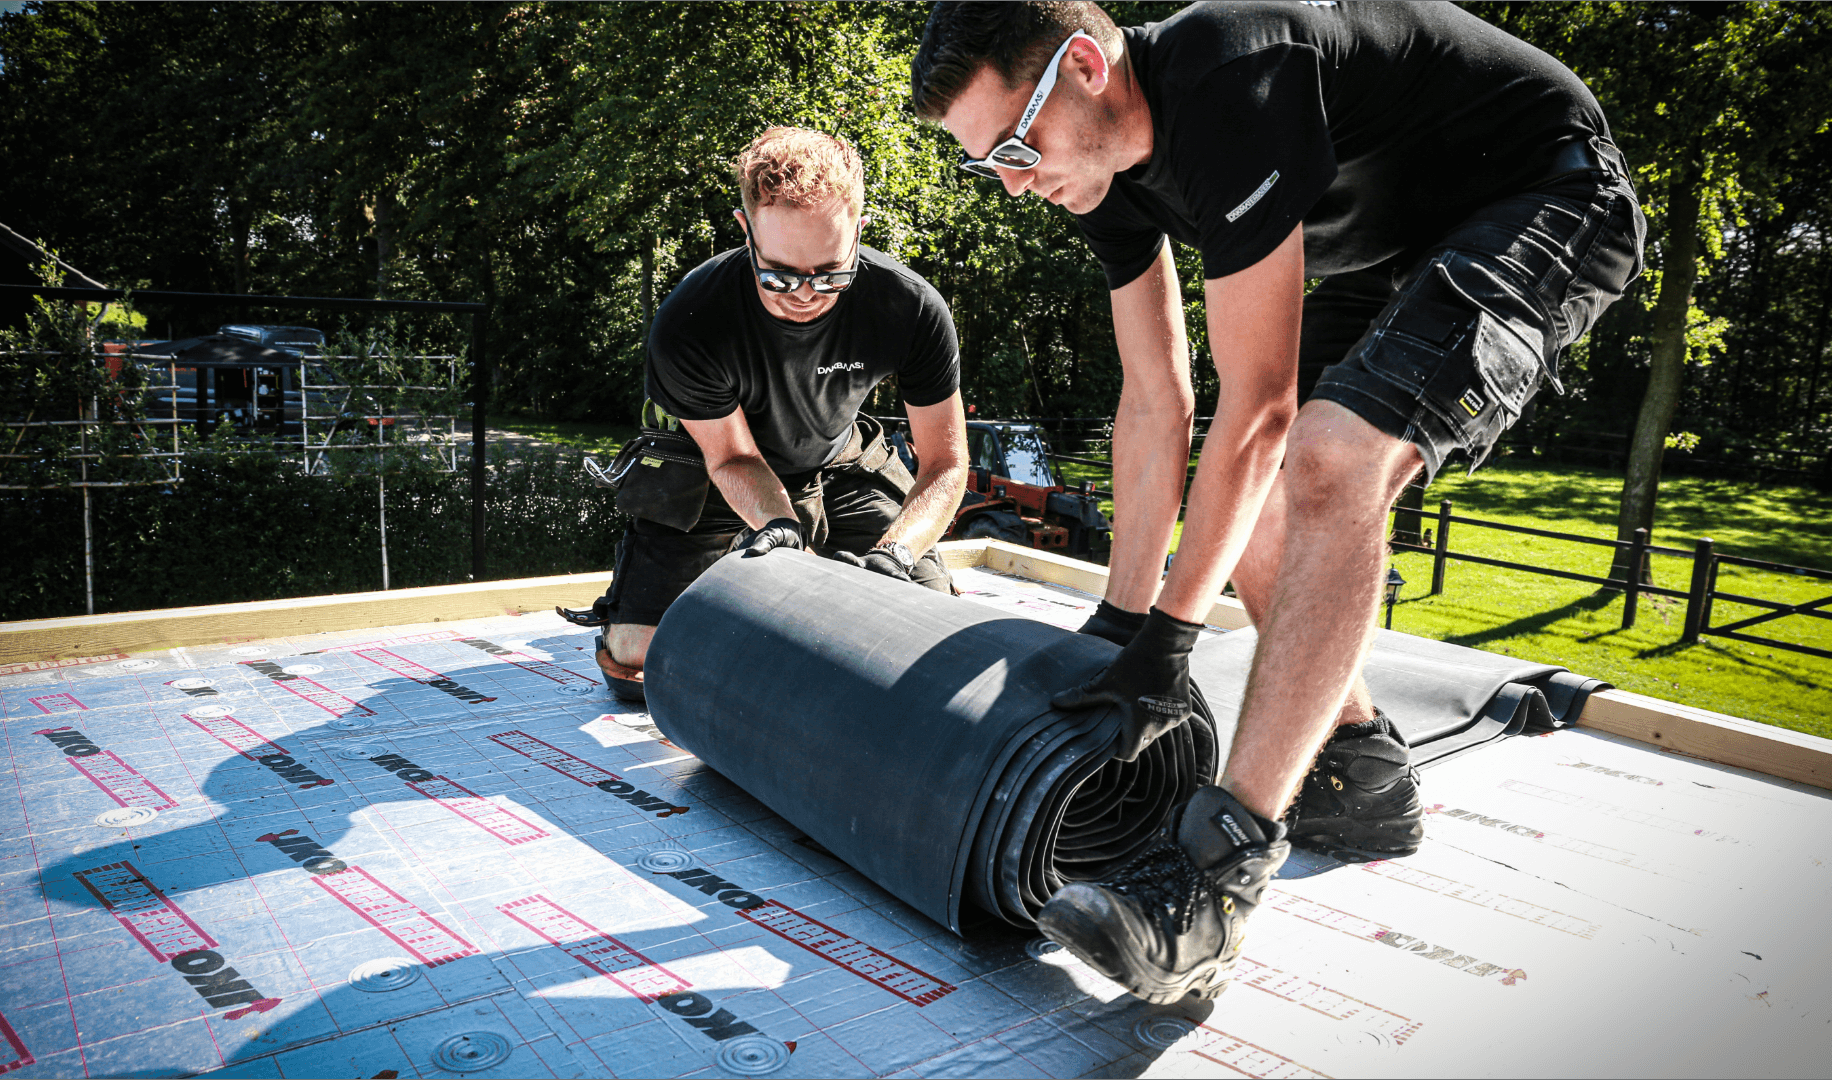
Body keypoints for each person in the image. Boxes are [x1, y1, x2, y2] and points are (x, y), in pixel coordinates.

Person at [912, 1, 1642, 1003]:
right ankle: (1358, 769)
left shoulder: (1230, 75)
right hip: (1388, 252)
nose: (1018, 178)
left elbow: (1254, 410)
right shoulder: (1099, 171)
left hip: (1540, 195)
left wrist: (1170, 641)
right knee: (1259, 508)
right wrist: (1123, 626)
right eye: (989, 163)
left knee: (1330, 461)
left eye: (1015, 143)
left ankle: (1215, 881)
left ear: (1084, 65)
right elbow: (1155, 400)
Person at [561, 127, 970, 701]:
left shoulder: (909, 306)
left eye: (832, 274)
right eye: (779, 275)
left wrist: (898, 551)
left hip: (839, 459)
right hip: (712, 470)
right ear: (746, 228)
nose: (805, 294)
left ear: (859, 228)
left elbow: (947, 464)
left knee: (926, 626)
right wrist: (781, 531)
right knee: (638, 661)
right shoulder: (693, 319)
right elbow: (732, 455)